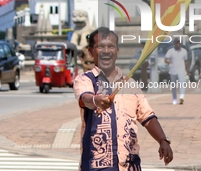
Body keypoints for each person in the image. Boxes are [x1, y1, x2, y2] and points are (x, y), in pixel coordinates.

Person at [74, 27, 173, 171]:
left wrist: (163, 140)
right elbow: (85, 98)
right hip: (97, 167)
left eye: (111, 46)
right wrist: (97, 100)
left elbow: (147, 116)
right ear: (90, 51)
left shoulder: (129, 83)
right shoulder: (85, 80)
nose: (106, 51)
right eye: (100, 46)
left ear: (117, 51)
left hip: (130, 165)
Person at [164, 38, 189, 105]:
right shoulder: (171, 51)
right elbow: (165, 59)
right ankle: (174, 99)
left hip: (181, 70)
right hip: (173, 70)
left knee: (182, 84)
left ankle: (181, 97)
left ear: (180, 43)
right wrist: (168, 61)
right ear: (174, 43)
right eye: (176, 42)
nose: (177, 44)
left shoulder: (184, 51)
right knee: (173, 86)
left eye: (178, 42)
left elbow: (186, 61)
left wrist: (187, 70)